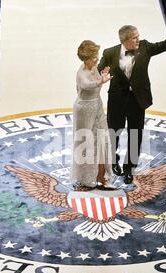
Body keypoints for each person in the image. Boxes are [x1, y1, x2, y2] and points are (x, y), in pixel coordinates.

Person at [98, 24, 166, 184]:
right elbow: (99, 70)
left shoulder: (144, 47)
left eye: (138, 36)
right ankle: (113, 160)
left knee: (135, 134)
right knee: (113, 133)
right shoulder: (109, 53)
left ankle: (129, 168)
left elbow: (163, 45)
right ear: (124, 40)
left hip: (137, 100)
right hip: (117, 100)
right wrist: (100, 76)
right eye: (134, 37)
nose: (138, 39)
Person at [71, 40, 114, 191]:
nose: (96, 59)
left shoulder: (94, 68)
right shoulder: (80, 73)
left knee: (103, 140)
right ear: (85, 58)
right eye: (93, 57)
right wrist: (100, 81)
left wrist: (102, 78)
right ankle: (87, 178)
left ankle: (101, 175)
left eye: (96, 56)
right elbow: (87, 85)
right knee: (87, 144)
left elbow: (96, 84)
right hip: (84, 110)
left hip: (97, 107)